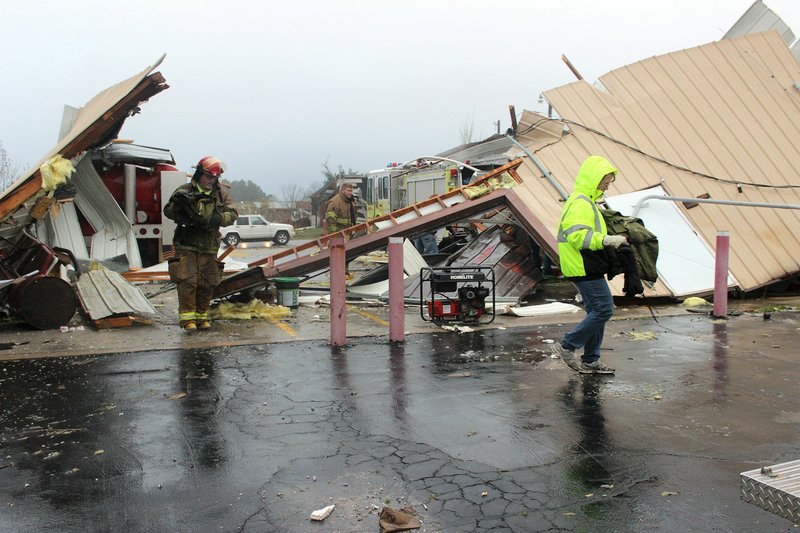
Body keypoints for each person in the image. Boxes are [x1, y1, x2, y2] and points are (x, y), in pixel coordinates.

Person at [551, 156, 627, 374]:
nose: (607, 185)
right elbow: (577, 236)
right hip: (583, 266)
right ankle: (567, 345)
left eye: (609, 181)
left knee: (596, 312)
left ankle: (591, 360)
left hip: (585, 266)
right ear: (594, 178)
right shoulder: (581, 203)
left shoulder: (586, 202)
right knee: (604, 309)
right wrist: (606, 240)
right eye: (605, 180)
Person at [163, 156, 238, 331]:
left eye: (214, 178)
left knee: (207, 282)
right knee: (188, 281)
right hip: (186, 244)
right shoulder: (184, 190)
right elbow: (168, 211)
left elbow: (233, 213)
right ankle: (187, 320)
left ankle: (201, 317)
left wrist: (217, 218)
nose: (211, 181)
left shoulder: (221, 195)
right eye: (208, 177)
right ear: (198, 175)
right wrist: (181, 210)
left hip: (209, 245)